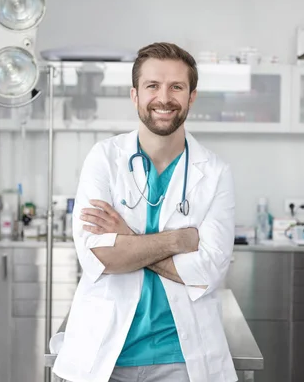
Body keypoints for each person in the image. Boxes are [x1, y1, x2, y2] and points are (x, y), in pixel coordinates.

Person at [51, 42, 237, 382]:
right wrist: (179, 240)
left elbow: (207, 271)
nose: (163, 98)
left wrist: (129, 241)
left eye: (176, 87)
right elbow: (98, 256)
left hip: (182, 358)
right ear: (135, 95)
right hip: (104, 354)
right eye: (153, 86)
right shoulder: (104, 158)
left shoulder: (214, 172)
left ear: (191, 96)